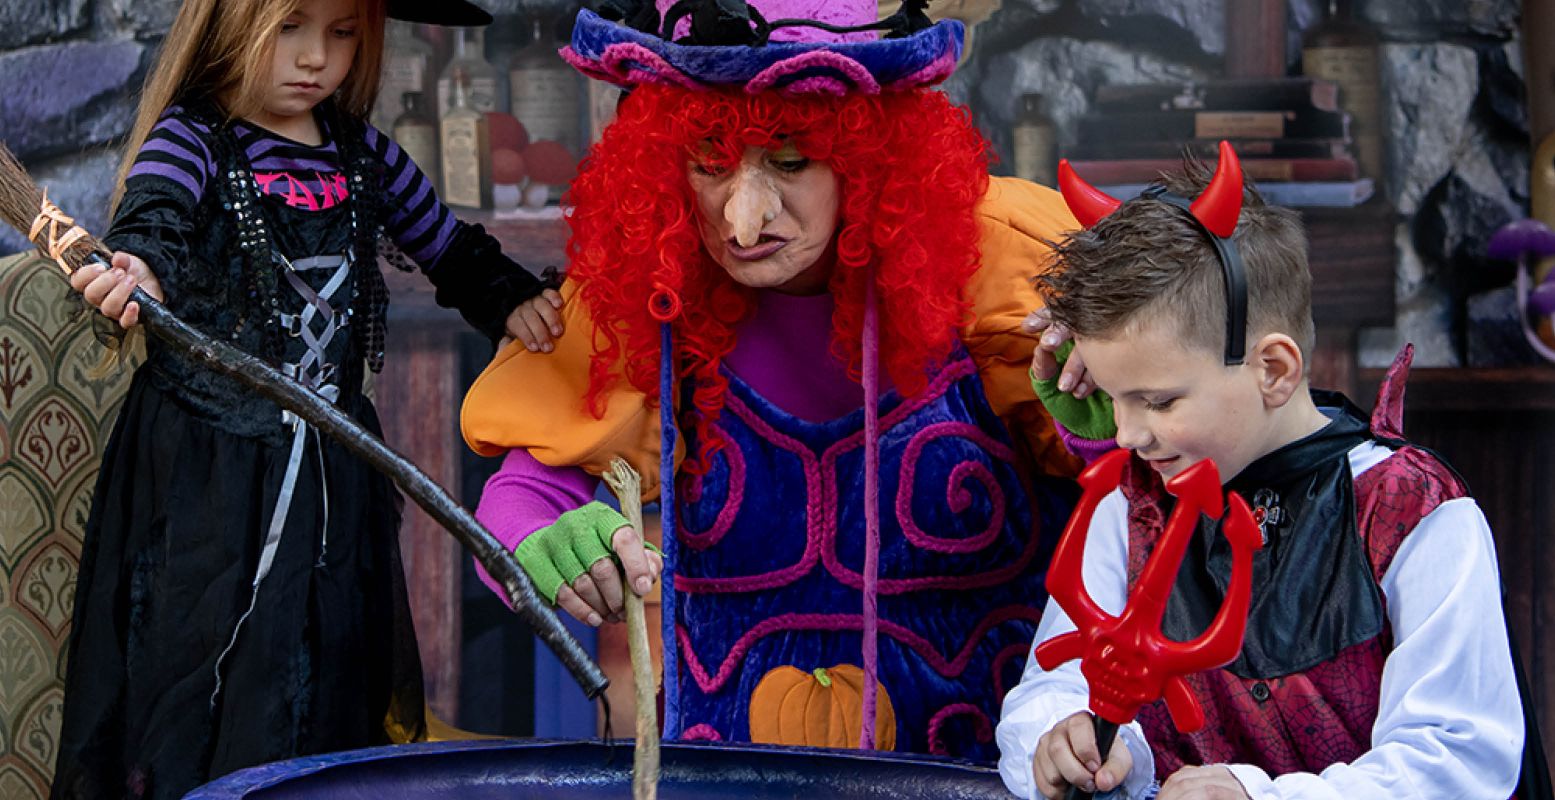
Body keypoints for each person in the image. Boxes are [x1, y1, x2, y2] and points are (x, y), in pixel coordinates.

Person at [460, 0, 1083, 762]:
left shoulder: (1004, 258)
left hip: (988, 771)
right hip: (720, 770)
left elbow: (1144, 487)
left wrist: (1100, 422)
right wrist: (545, 541)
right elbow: (524, 495)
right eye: (709, 164)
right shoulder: (641, 287)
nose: (742, 219)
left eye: (790, 161)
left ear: (871, 159)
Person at [51, 0, 563, 796]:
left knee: (325, 666)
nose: (316, 57)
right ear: (231, 24)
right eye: (290, 26)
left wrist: (506, 296)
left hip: (334, 472)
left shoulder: (364, 157)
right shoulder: (193, 140)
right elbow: (155, 220)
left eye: (342, 32)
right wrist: (139, 269)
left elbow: (446, 244)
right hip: (208, 475)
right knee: (203, 674)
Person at [995, 150, 1530, 799]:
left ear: (1272, 370)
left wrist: (1262, 797)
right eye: (1114, 397)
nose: (1128, 434)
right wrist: (1071, 737)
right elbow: (1057, 679)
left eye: (1158, 401)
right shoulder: (1128, 505)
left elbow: (1457, 757)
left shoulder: (1408, 512)